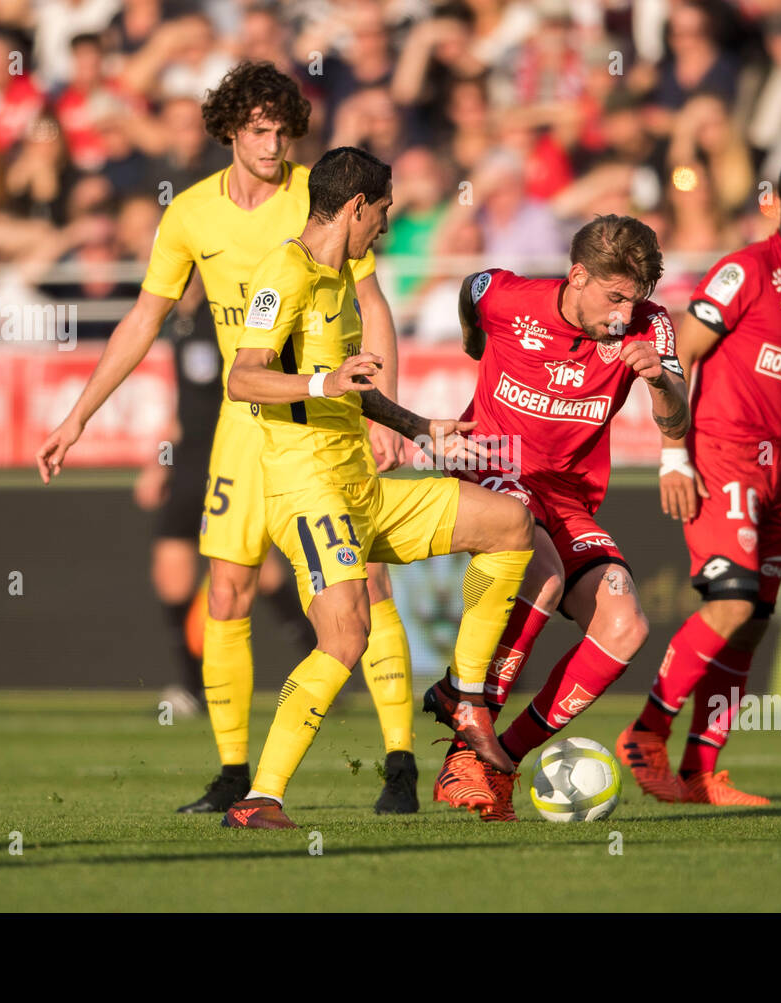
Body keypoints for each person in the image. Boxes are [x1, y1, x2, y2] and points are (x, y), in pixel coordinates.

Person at [35, 62, 422, 817]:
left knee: (369, 583)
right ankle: (234, 773)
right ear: (230, 133)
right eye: (259, 131)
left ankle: (401, 761)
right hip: (243, 423)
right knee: (226, 592)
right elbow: (143, 319)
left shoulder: (322, 197)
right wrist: (78, 415)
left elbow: (373, 305)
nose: (275, 145)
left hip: (323, 421)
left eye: (283, 130)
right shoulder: (189, 215)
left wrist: (385, 409)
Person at [221, 146, 535, 830]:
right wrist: (322, 383)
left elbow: (350, 392)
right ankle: (258, 798)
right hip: (310, 490)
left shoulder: (338, 283)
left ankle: (463, 693)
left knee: (511, 524)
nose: (386, 227)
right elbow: (243, 377)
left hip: (361, 485)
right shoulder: (288, 269)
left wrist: (423, 429)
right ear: (358, 206)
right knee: (346, 636)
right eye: (384, 212)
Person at [430, 214, 690, 822]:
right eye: (615, 296)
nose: (625, 313)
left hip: (566, 494)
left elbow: (679, 419)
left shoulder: (650, 328)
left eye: (637, 298)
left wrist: (659, 385)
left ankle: (497, 762)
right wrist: (475, 344)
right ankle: (470, 718)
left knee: (625, 622)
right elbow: (474, 287)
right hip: (494, 466)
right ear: (577, 276)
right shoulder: (509, 297)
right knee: (540, 565)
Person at [617, 152, 781, 806]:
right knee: (732, 602)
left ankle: (699, 770)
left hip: (778, 467)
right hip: (722, 452)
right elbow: (678, 353)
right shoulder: (746, 269)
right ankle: (648, 729)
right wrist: (676, 455)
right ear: (775, 203)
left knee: (751, 623)